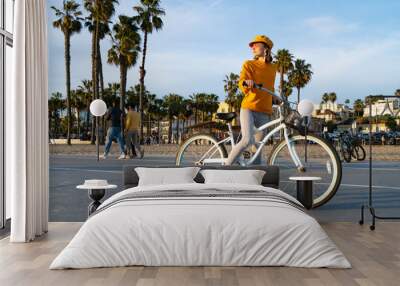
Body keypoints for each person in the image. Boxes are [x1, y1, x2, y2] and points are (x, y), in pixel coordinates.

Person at [225, 35, 281, 165]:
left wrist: (275, 97)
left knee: (257, 147)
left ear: (265, 47)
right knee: (247, 140)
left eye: (256, 44)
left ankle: (253, 176)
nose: (252, 47)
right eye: (252, 46)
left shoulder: (272, 69)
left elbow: (269, 87)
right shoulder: (249, 64)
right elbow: (241, 82)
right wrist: (246, 82)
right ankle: (225, 167)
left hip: (265, 111)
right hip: (249, 108)